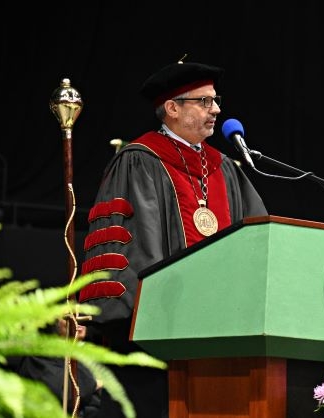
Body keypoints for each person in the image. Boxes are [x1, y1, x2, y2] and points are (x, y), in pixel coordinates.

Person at [78, 59, 268, 417]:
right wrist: (163, 308)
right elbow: (135, 248)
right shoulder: (139, 161)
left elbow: (258, 238)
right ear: (172, 108)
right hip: (156, 338)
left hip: (223, 334)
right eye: (205, 101)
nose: (217, 110)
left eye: (216, 100)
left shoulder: (225, 169)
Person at [12, 317, 102, 418]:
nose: (77, 320)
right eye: (67, 317)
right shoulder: (39, 354)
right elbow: (69, 395)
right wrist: (94, 384)